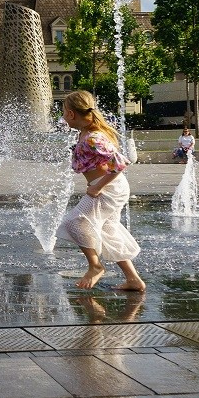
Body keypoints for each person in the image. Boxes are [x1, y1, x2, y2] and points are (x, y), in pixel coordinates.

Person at [54, 90, 145, 292]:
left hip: (108, 189)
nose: (62, 118)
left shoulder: (92, 137)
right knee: (107, 232)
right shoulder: (86, 134)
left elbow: (120, 163)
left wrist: (98, 186)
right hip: (112, 187)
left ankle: (95, 266)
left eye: (63, 113)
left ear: (71, 114)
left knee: (73, 222)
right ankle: (133, 279)